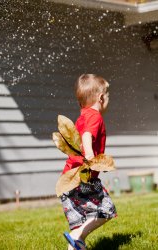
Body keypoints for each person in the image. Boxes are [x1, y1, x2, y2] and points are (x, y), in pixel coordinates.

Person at [60, 74, 117, 250]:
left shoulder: (82, 116)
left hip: (69, 179)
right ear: (101, 98)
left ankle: (76, 243)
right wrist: (91, 156)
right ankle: (77, 238)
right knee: (107, 211)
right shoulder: (95, 116)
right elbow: (86, 136)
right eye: (107, 96)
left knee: (81, 221)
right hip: (83, 179)